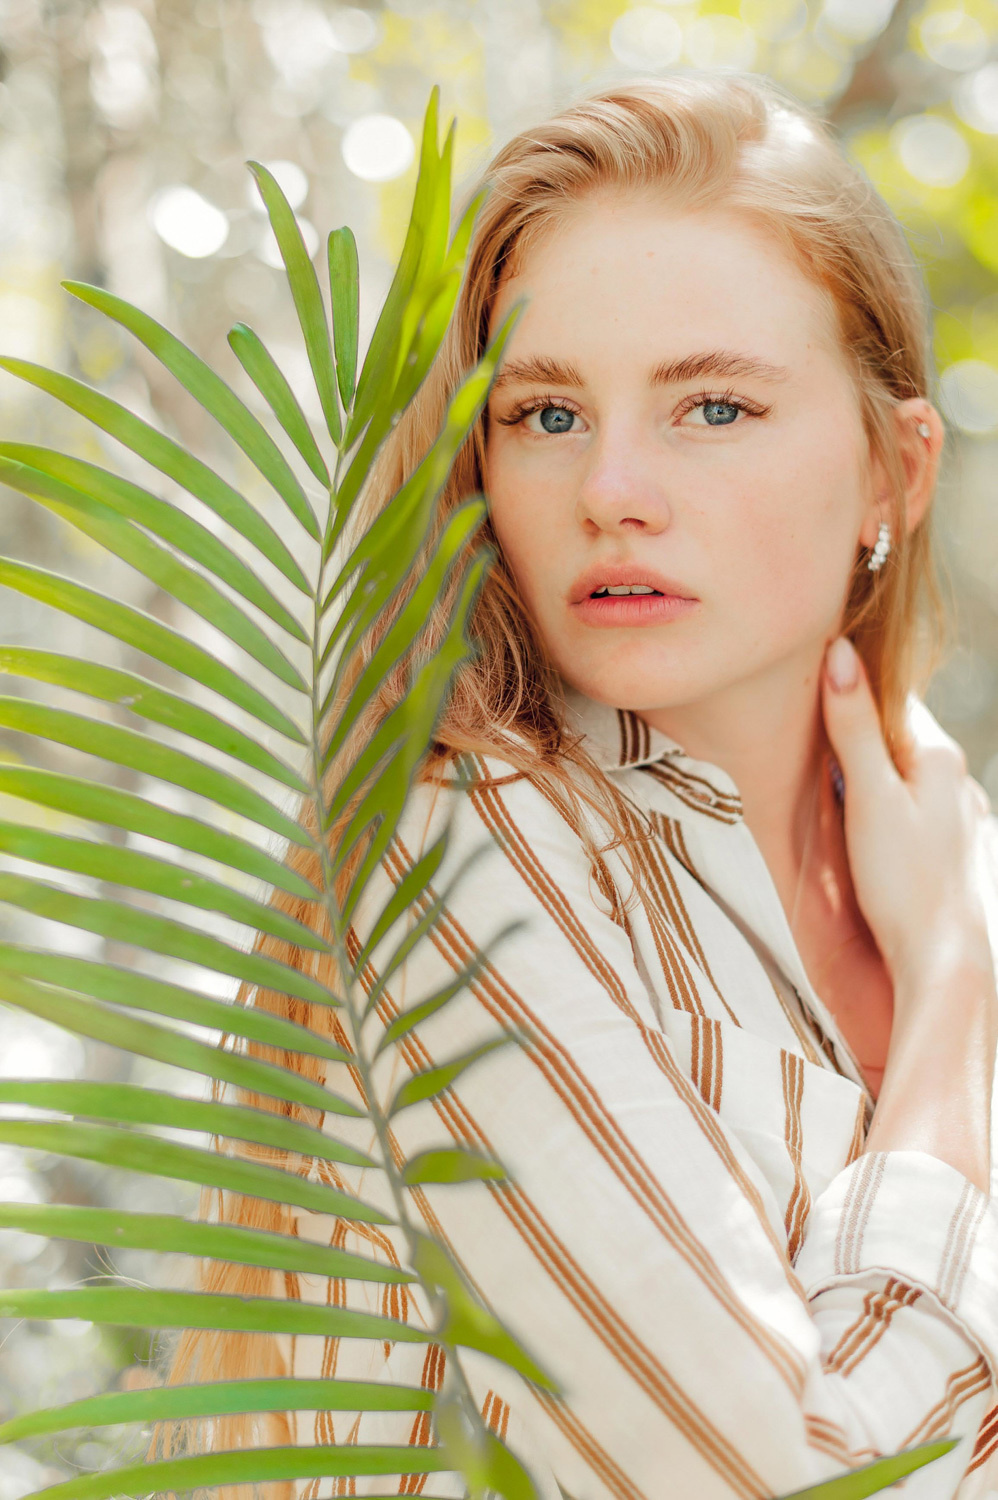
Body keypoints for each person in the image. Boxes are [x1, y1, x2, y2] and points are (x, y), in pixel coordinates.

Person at [165, 71, 998, 1499]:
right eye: (545, 414)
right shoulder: (451, 850)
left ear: (892, 474)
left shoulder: (951, 850)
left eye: (714, 407)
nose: (611, 487)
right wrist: (940, 1012)